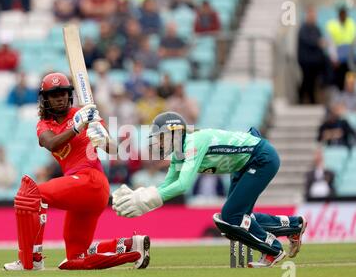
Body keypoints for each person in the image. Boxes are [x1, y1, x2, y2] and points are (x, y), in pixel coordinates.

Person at [112, 112, 308, 268]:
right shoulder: (179, 155)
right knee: (238, 219)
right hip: (244, 164)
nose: (159, 143)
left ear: (174, 133)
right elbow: (167, 186)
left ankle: (273, 249)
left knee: (229, 218)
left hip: (261, 158)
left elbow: (183, 185)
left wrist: (149, 200)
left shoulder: (193, 142)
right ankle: (293, 226)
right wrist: (141, 195)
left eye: (161, 138)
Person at [4, 72, 150, 271]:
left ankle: (32, 259)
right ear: (45, 99)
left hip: (92, 180)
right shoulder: (45, 125)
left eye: (64, 93)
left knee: (30, 194)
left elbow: (114, 149)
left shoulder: (85, 114)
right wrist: (77, 127)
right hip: (81, 191)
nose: (61, 97)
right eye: (55, 94)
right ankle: (131, 246)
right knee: (73, 260)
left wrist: (102, 137)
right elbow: (51, 143)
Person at [297, 6, 327, 105]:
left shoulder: (317, 28)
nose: (313, 17)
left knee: (313, 81)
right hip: (305, 60)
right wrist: (318, 42)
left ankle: (312, 99)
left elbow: (321, 41)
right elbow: (308, 41)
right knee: (306, 80)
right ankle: (302, 98)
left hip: (315, 61)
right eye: (311, 14)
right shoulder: (303, 28)